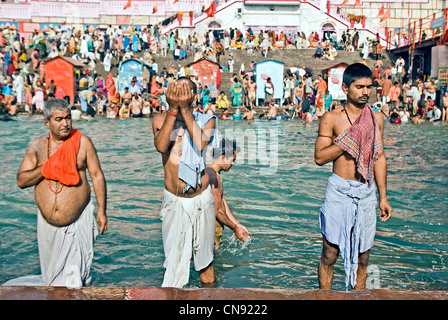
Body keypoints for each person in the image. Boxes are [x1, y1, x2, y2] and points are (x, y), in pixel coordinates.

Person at [6, 98, 107, 288]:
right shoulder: (36, 146)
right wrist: (46, 168)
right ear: (47, 122)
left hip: (78, 219)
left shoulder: (83, 143)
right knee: (53, 280)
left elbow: (97, 176)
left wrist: (102, 210)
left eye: (68, 118)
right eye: (59, 119)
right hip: (47, 225)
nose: (65, 123)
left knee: (77, 277)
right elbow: (21, 181)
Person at [314, 63, 392, 291]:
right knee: (330, 254)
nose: (366, 92)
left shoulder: (376, 118)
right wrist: (349, 141)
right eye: (359, 87)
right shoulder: (331, 118)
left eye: (369, 87)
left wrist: (383, 197)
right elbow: (319, 157)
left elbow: (379, 157)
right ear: (346, 88)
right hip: (339, 191)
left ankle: (357, 297)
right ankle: (325, 297)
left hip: (366, 191)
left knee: (363, 256)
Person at [152, 77, 219, 288]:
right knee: (171, 260)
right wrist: (173, 110)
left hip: (200, 198)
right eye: (175, 93)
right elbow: (161, 146)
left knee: (205, 263)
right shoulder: (160, 120)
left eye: (184, 94)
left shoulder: (208, 119)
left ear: (194, 97)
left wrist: (185, 110)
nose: (180, 98)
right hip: (174, 199)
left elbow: (199, 143)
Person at [206, 139, 251, 250]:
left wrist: (236, 223)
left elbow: (221, 200)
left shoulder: (215, 173)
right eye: (232, 160)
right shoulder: (212, 176)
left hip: (214, 232)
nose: (233, 163)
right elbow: (218, 211)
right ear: (222, 157)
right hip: (208, 232)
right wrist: (235, 228)